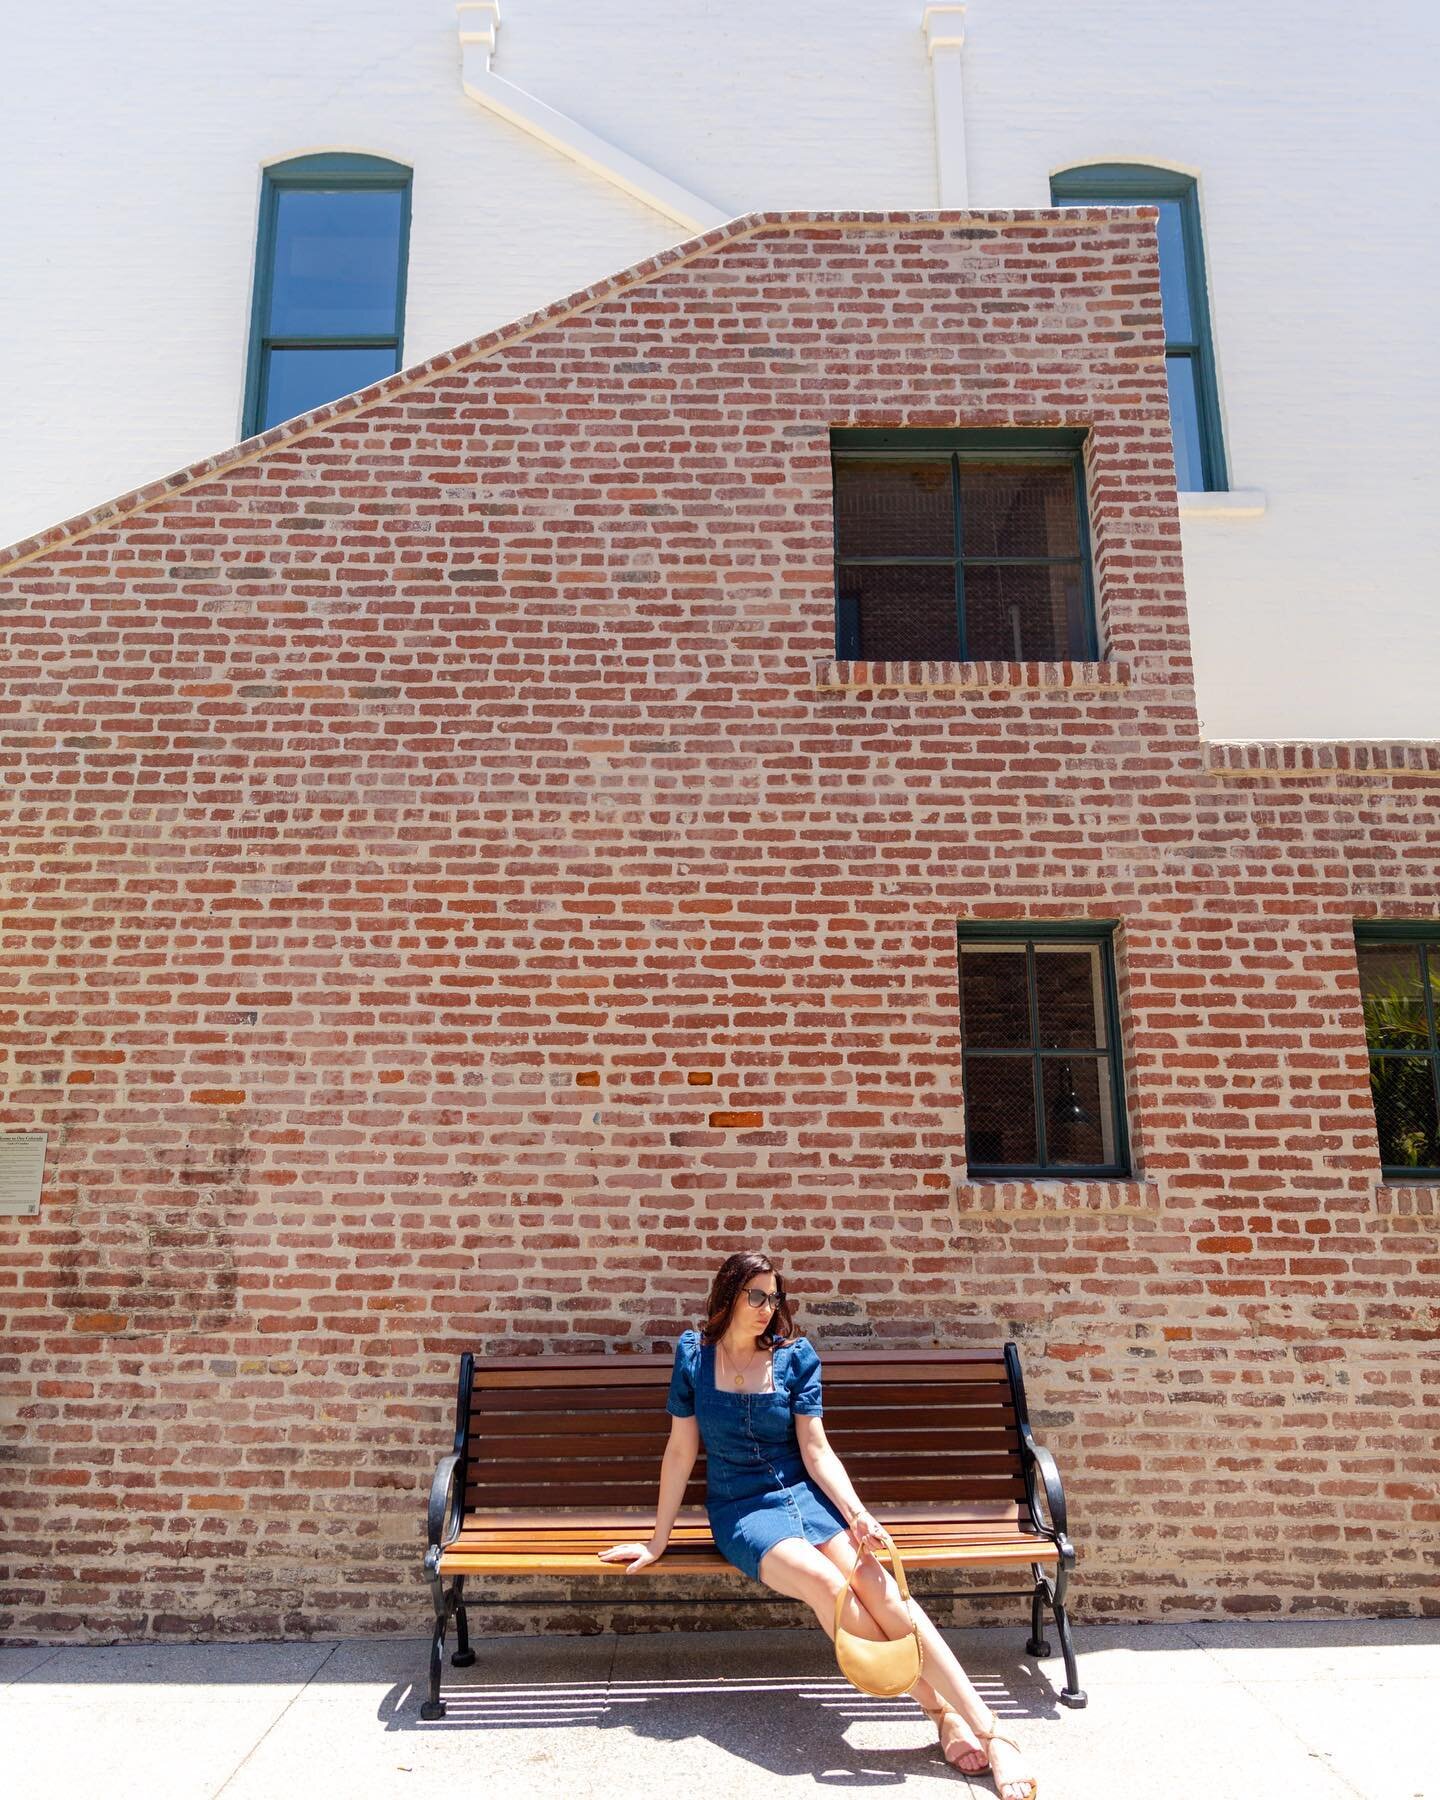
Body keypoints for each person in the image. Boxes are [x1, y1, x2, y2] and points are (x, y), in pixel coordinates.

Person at [598, 1252, 1038, 1798]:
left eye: (773, 1297)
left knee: (884, 1591)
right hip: (742, 1510)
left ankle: (988, 1731)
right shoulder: (694, 1357)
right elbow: (680, 1449)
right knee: (829, 1587)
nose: (766, 1308)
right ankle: (940, 1711)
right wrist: (657, 1539)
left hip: (806, 1498)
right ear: (728, 1295)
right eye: (754, 1295)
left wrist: (856, 1514)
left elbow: (815, 1448)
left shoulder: (795, 1357)